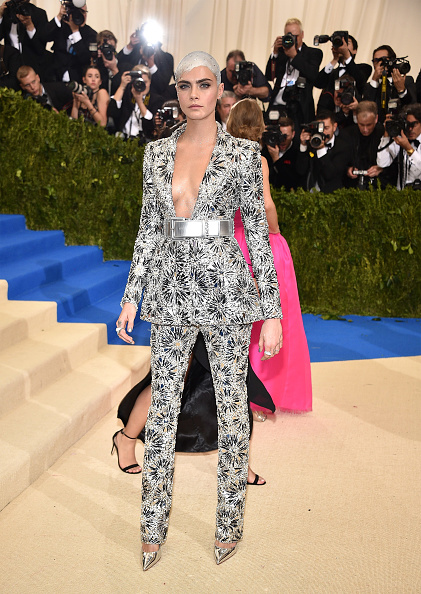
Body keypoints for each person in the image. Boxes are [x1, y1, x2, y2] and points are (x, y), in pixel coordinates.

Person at [115, 51, 283, 570]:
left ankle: (228, 525)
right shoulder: (155, 154)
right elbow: (148, 228)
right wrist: (131, 294)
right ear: (176, 90)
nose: (194, 94)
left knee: (232, 412)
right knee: (163, 410)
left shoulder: (243, 154)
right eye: (185, 85)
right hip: (169, 289)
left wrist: (272, 310)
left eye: (204, 84)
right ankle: (152, 529)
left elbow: (259, 234)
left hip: (227, 290)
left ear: (219, 90)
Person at [265, 17, 323, 127]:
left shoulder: (313, 53)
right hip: (278, 106)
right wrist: (275, 53)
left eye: (295, 36)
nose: (292, 39)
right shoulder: (281, 53)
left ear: (302, 34)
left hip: (300, 109)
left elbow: (313, 75)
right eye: (288, 36)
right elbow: (269, 76)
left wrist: (294, 56)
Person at [42, 1, 97, 83]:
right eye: (78, 12)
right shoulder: (61, 27)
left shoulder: (91, 34)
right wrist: (59, 16)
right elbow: (44, 37)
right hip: (56, 79)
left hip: (78, 81)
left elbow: (85, 59)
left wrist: (75, 32)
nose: (83, 15)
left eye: (84, 12)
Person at [296, 110, 350, 192]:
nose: (323, 132)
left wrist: (321, 150)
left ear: (334, 127)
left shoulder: (343, 147)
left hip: (332, 194)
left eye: (326, 128)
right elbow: (300, 171)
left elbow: (330, 175)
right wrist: (303, 145)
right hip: (308, 194)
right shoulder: (311, 143)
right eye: (319, 128)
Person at [342, 100, 392, 189]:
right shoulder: (347, 134)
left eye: (369, 125)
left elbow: (395, 164)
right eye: (361, 125)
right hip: (351, 186)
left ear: (376, 119)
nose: (365, 129)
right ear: (357, 119)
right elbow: (339, 161)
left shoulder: (383, 134)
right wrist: (347, 169)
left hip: (380, 187)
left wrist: (381, 169)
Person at [107, 64, 163, 141]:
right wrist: (122, 86)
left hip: (144, 142)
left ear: (150, 82)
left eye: (145, 82)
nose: (142, 85)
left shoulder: (156, 100)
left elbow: (150, 126)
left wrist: (139, 101)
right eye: (138, 82)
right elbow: (112, 112)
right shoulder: (127, 96)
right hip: (124, 140)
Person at [117, 21, 174, 96]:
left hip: (154, 99)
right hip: (130, 97)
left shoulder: (166, 58)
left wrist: (151, 64)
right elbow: (117, 64)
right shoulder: (134, 53)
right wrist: (130, 46)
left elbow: (162, 86)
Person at [362, 45, 416, 123]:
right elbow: (365, 110)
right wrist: (374, 80)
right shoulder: (370, 86)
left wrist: (402, 91)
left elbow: (413, 108)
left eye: (383, 59)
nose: (380, 63)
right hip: (379, 126)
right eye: (376, 60)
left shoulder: (406, 80)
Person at [0, 0, 49, 79]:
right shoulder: (7, 13)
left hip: (32, 66)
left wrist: (29, 26)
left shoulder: (39, 14)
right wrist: (0, 16)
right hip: (10, 65)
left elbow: (40, 48)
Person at [377, 103, 421, 189]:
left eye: (413, 124)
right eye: (407, 124)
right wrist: (386, 134)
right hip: (401, 193)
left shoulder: (404, 143)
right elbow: (382, 163)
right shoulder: (401, 139)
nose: (410, 129)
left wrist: (408, 148)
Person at [315, 34, 371, 98]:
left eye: (347, 43)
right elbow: (318, 84)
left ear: (355, 51)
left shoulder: (364, 68)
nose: (343, 46)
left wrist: (346, 54)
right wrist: (334, 60)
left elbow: (359, 81)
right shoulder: (331, 72)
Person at [261, 115, 304, 190]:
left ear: (293, 134)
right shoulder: (267, 150)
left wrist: (276, 159)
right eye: (280, 136)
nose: (282, 140)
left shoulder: (297, 153)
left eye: (285, 136)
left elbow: (293, 181)